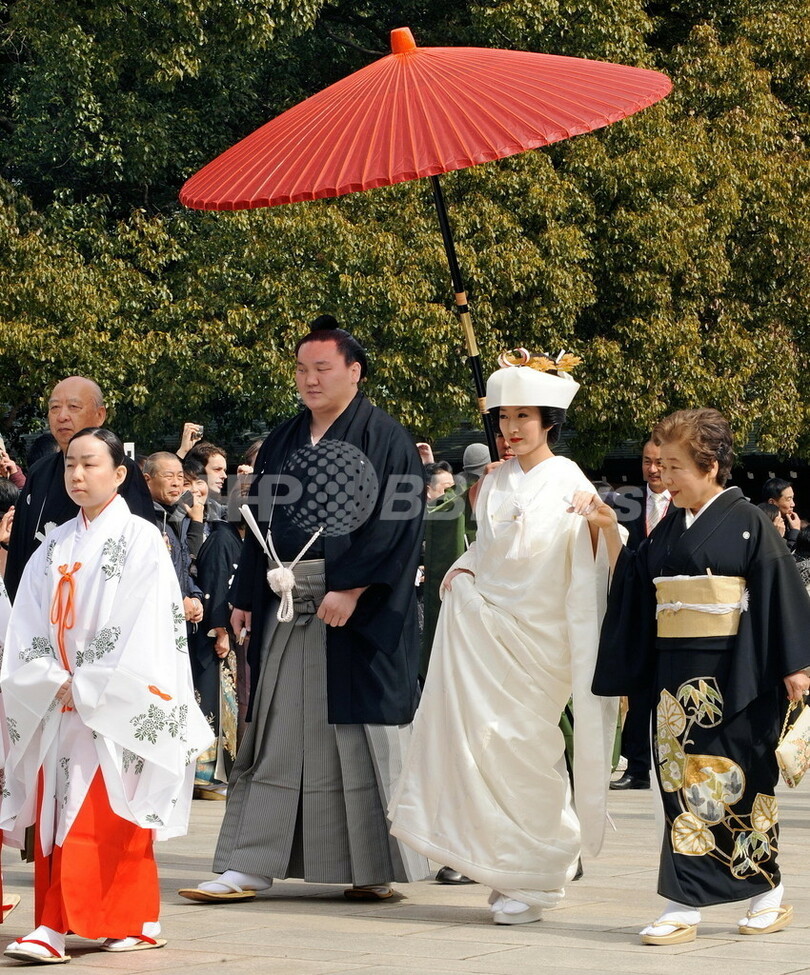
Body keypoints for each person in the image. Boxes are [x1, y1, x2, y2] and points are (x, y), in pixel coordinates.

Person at [178, 315, 427, 904]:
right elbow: (256, 524)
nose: (309, 380)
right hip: (283, 594)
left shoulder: (386, 438)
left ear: (354, 372)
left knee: (356, 737)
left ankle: (372, 866)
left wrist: (354, 587)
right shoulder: (286, 439)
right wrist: (243, 597)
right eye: (302, 369)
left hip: (353, 607)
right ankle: (248, 863)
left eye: (322, 368)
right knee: (277, 730)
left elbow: (401, 524)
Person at [389, 349, 617, 926]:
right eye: (503, 419)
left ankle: (540, 870)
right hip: (487, 633)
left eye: (523, 418)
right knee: (483, 748)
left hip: (539, 640)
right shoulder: (492, 484)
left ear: (548, 424)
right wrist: (465, 572)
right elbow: (486, 552)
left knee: (528, 749)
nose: (510, 430)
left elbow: (598, 560)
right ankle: (505, 867)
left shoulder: (570, 481)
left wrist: (604, 526)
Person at [571, 408, 810, 945]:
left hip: (740, 675)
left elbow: (780, 595)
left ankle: (766, 896)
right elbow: (637, 580)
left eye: (675, 466)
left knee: (746, 788)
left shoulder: (748, 521)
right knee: (679, 788)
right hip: (678, 680)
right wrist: (611, 532)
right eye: (661, 465)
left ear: (709, 465)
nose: (665, 477)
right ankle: (684, 904)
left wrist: (795, 667)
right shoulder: (672, 527)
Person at [0, 428, 211, 963]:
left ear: (119, 474)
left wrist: (89, 683)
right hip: (59, 697)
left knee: (109, 809)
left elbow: (145, 623)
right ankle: (57, 922)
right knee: (62, 810)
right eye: (71, 464)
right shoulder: (54, 542)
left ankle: (117, 920)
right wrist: (49, 677)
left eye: (90, 464)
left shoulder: (141, 538)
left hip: (112, 699)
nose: (77, 475)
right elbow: (26, 622)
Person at [4, 377, 154, 601]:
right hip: (41, 602)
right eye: (54, 407)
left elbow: (140, 549)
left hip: (99, 603)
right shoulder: (40, 471)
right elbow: (21, 547)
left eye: (73, 407)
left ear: (100, 415)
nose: (62, 416)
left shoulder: (121, 470)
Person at [610, 440, 671, 791]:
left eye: (660, 463)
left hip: (673, 608)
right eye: (647, 462)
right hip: (637, 607)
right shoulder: (626, 503)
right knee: (638, 693)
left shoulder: (682, 503)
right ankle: (636, 767)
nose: (653, 469)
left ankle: (670, 765)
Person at [182, 462, 241, 799]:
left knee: (225, 702)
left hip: (224, 631)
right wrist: (219, 630)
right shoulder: (221, 540)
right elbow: (216, 586)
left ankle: (214, 772)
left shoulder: (233, 538)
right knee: (211, 701)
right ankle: (203, 774)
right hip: (210, 633)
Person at [762, 477, 800, 551]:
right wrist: (794, 532)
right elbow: (783, 558)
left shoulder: (789, 523)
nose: (793, 504)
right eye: (788, 499)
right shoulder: (761, 525)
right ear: (772, 502)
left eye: (793, 498)